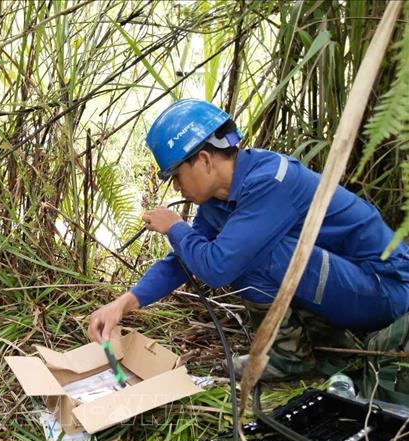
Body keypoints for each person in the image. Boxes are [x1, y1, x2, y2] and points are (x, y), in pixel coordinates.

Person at [87, 99, 409, 386]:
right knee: (243, 249)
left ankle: (289, 357)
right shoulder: (217, 201)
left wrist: (174, 227)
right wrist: (123, 304)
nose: (176, 187)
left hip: (386, 289)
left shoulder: (271, 182)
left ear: (204, 160)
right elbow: (186, 260)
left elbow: (217, 267)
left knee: (249, 256)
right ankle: (325, 343)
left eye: (176, 175)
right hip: (349, 285)